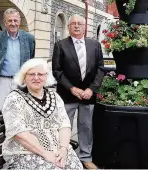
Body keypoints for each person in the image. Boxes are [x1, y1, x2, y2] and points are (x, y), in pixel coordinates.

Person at [2, 58, 83, 169]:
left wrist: (63, 148)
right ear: (24, 77)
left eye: (40, 74)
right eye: (31, 74)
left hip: (57, 150)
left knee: (75, 166)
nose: (36, 78)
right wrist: (46, 154)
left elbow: (64, 125)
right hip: (25, 153)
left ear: (46, 77)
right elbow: (19, 134)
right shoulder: (14, 98)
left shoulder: (54, 96)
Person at [52, 14, 104, 169]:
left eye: (79, 24)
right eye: (73, 23)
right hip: (67, 94)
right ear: (69, 27)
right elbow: (57, 70)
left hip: (88, 95)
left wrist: (91, 89)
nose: (76, 26)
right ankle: (63, 156)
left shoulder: (95, 45)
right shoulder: (60, 45)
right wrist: (71, 88)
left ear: (84, 26)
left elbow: (100, 69)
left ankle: (85, 157)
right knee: (63, 126)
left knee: (86, 127)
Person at [0, 8, 35, 111]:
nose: (13, 23)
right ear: (5, 22)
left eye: (15, 20)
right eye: (10, 20)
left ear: (19, 22)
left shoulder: (29, 38)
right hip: (2, 81)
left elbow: (31, 58)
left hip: (20, 81)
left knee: (20, 110)